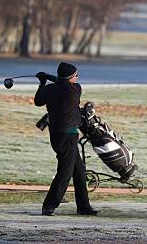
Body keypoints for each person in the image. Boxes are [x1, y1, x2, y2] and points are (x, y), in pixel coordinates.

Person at [34, 62, 97, 216]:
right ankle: (49, 205)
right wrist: (48, 77)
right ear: (71, 78)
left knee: (79, 171)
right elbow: (61, 82)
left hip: (56, 134)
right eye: (76, 75)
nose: (77, 78)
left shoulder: (49, 89)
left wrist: (43, 82)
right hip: (67, 136)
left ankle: (84, 207)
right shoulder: (75, 90)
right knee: (65, 172)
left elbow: (38, 101)